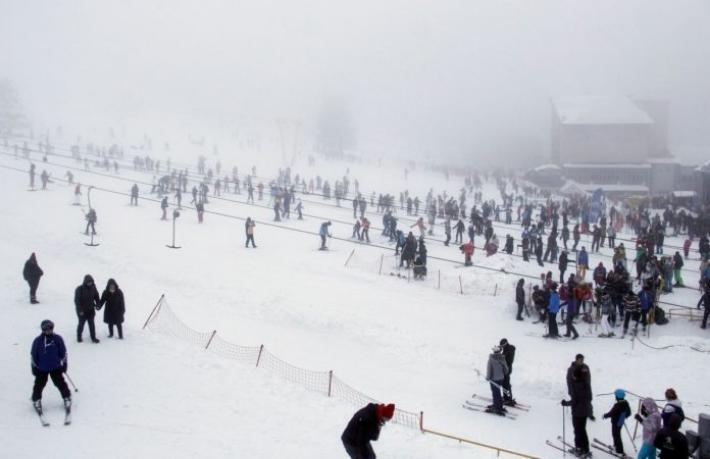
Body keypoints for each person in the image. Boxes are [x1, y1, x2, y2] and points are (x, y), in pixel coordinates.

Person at [31, 320, 71, 415]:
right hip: (42, 368)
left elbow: (63, 353)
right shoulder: (38, 341)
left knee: (60, 383)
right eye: (46, 329)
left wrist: (64, 364)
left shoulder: (57, 339)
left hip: (55, 367)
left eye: (50, 329)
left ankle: (66, 397)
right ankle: (36, 400)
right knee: (39, 385)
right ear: (43, 330)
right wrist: (34, 367)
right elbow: (33, 355)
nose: (49, 331)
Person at [561, 364, 593, 458]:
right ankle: (585, 448)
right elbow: (590, 397)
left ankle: (579, 448)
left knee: (578, 430)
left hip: (578, 413)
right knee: (582, 430)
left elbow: (574, 401)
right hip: (585, 411)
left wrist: (565, 403)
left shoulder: (575, 386)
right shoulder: (586, 384)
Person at [566, 354, 594, 420]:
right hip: (575, 389)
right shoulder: (571, 369)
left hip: (585, 388)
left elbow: (588, 377)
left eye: (583, 359)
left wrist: (588, 386)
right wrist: (570, 390)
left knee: (587, 402)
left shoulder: (586, 367)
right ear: (576, 359)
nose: (582, 361)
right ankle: (574, 415)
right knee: (575, 402)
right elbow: (568, 380)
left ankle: (590, 414)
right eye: (580, 359)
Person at [604, 389, 631, 455]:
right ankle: (616, 445)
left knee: (616, 435)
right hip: (621, 421)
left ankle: (619, 450)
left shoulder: (617, 405)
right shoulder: (626, 403)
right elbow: (629, 412)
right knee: (616, 434)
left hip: (616, 422)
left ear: (617, 397)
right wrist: (624, 416)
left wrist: (605, 415)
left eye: (615, 396)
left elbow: (612, 413)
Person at [74, 274, 100, 343]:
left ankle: (93, 338)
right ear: (85, 282)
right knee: (81, 324)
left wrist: (98, 304)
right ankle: (79, 337)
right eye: (88, 282)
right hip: (82, 311)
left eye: (91, 282)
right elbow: (77, 301)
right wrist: (80, 310)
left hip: (91, 310)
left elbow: (96, 296)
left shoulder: (93, 287)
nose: (90, 283)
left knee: (91, 324)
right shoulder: (79, 289)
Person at [485, 345, 509, 416]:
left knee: (495, 393)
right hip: (501, 379)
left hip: (494, 379)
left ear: (494, 351)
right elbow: (506, 370)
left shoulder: (491, 359)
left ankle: (497, 407)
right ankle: (498, 405)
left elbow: (489, 370)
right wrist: (503, 374)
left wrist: (488, 377)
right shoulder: (502, 358)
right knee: (498, 392)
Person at [499, 338, 516, 406]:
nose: (501, 347)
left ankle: (508, 399)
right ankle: (507, 397)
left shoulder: (507, 350)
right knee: (505, 384)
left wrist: (499, 352)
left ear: (505, 344)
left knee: (506, 384)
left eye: (502, 345)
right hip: (507, 369)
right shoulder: (508, 348)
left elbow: (504, 359)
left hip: (507, 369)